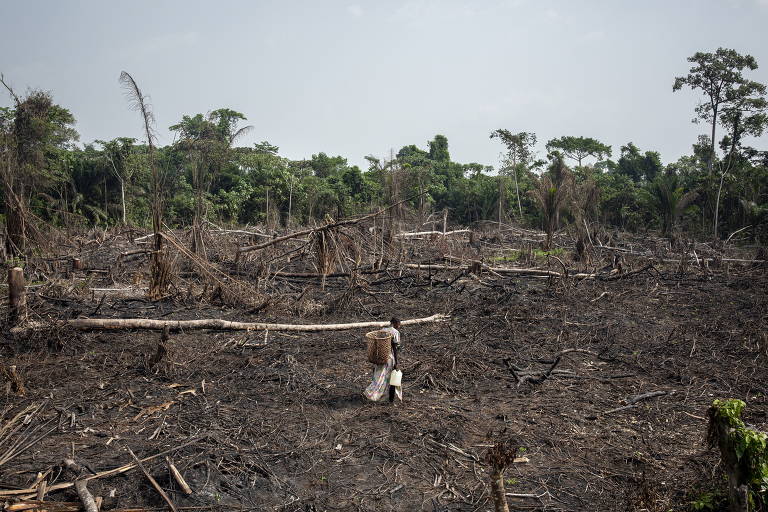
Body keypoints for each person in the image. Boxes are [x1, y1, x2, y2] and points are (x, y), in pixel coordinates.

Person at [363, 317, 403, 403]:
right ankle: (381, 397)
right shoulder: (395, 332)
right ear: (395, 323)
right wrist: (396, 362)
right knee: (388, 379)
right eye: (399, 324)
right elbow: (395, 348)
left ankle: (372, 394)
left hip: (380, 357)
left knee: (378, 377)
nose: (399, 326)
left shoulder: (382, 330)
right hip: (389, 358)